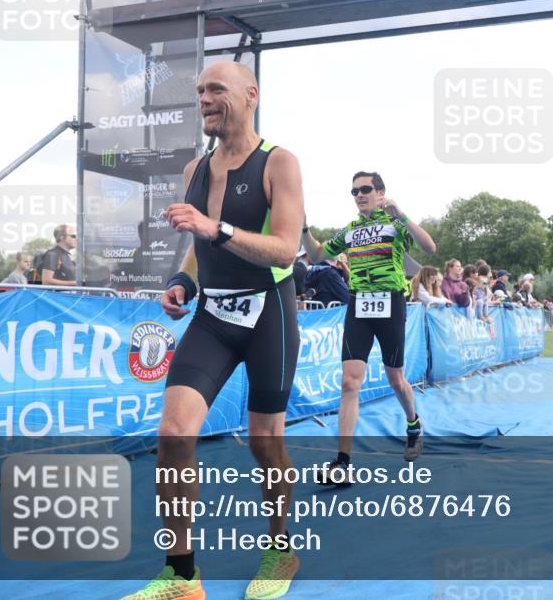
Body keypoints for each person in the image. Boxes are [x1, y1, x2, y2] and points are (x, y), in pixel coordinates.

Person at [123, 61, 303, 600]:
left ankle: (281, 551)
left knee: (264, 442)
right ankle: (182, 578)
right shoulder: (193, 169)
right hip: (213, 317)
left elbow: (286, 248)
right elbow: (199, 248)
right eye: (200, 90)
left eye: (215, 89)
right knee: (174, 433)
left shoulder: (280, 163)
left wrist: (213, 228)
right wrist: (183, 278)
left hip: (269, 312)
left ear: (250, 95)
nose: (204, 98)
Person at [302, 171, 437, 481]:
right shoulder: (350, 230)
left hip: (391, 304)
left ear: (380, 192)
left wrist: (401, 214)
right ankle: (342, 463)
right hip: (359, 306)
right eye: (354, 191)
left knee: (396, 380)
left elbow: (429, 248)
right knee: (350, 382)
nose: (359, 195)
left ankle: (413, 423)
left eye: (365, 189)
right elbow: (317, 254)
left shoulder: (395, 224)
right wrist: (304, 228)